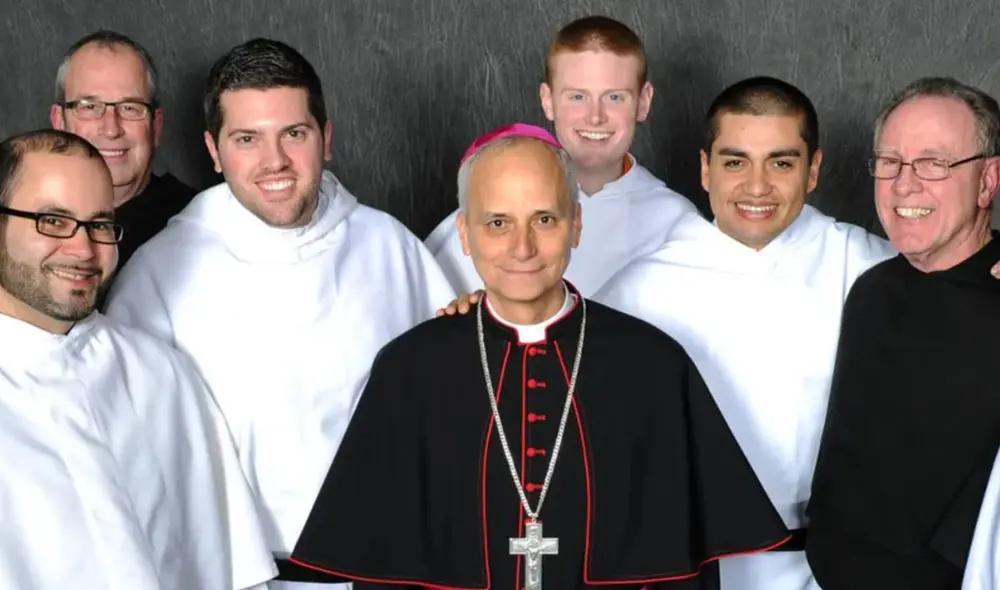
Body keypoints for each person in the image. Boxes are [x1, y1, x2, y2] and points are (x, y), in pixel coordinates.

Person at [285, 124, 793, 590]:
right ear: (464, 234)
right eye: (498, 222)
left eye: (544, 219)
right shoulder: (409, 371)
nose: (522, 247)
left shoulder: (653, 366)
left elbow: (687, 568)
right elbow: (382, 568)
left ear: (576, 225)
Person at [103, 38, 456, 589]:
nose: (275, 162)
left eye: (295, 133)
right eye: (247, 139)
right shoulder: (158, 275)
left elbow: (449, 409)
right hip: (228, 575)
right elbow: (133, 455)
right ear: (214, 151)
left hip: (384, 570)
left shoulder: (390, 248)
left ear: (327, 138)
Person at [580, 76, 896, 590]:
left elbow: (957, 306)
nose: (756, 187)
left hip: (840, 564)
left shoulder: (867, 265)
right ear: (705, 169)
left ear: (813, 170)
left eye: (781, 162)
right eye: (735, 161)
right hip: (696, 566)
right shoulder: (638, 292)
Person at [0, 128, 275, 589]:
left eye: (101, 225)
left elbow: (233, 571)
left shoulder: (160, 374)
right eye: (52, 220)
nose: (83, 249)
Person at [805, 77, 1000, 589]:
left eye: (935, 163)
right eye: (890, 162)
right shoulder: (872, 290)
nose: (904, 184)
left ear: (987, 181)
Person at [424, 15, 699, 297]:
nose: (595, 117)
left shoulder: (678, 224)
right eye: (577, 97)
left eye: (614, 97)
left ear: (643, 102)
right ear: (548, 100)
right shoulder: (485, 214)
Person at [50, 30, 196, 274]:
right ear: (59, 122)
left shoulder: (197, 229)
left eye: (130, 108)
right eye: (89, 107)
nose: (111, 129)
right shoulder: (23, 224)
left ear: (156, 127)